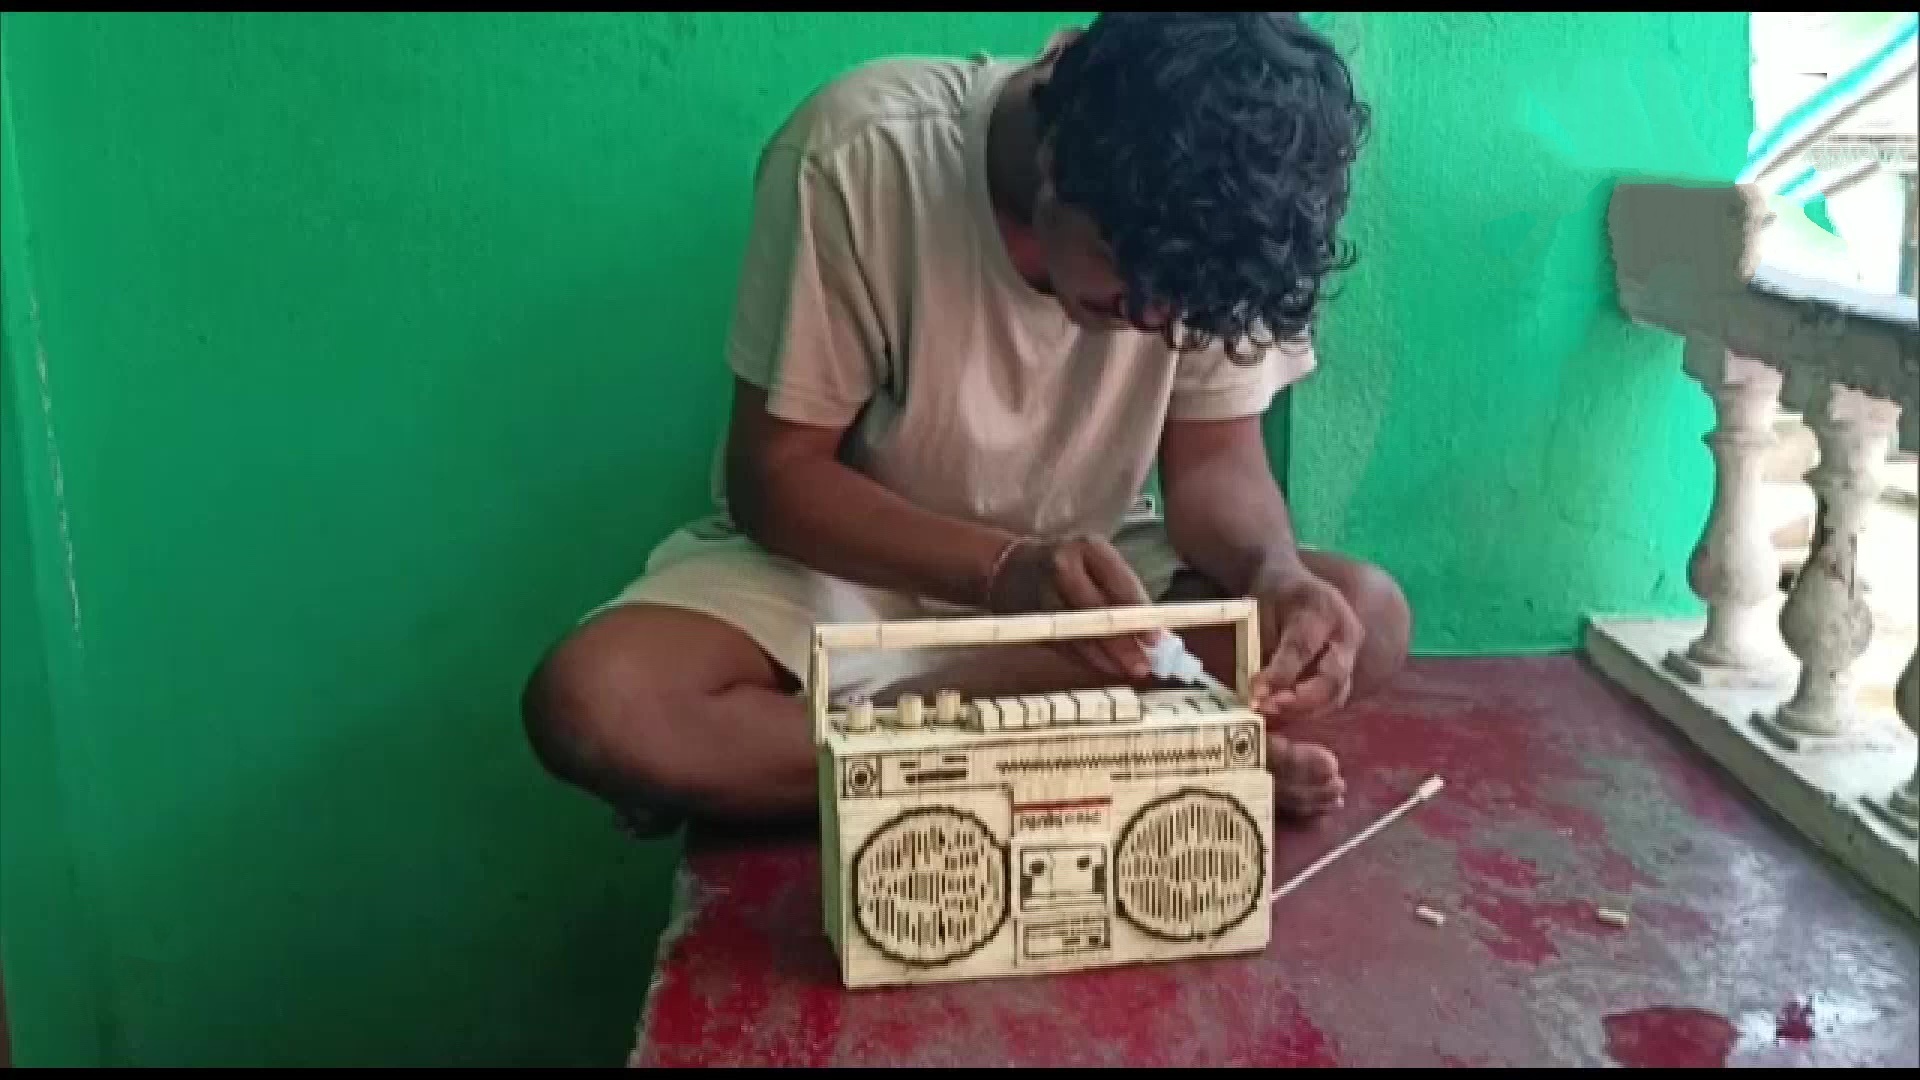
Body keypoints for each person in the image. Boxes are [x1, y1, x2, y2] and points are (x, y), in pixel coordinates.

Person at [522, 12, 1409, 836]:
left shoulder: (1216, 230)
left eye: (1182, 308)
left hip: (1093, 593)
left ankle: (937, 752)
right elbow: (776, 476)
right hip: (844, 575)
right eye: (1124, 277)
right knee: (598, 703)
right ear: (1059, 158)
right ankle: (1131, 752)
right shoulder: (862, 155)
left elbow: (1215, 464)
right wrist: (1003, 574)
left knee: (1364, 615)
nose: (1153, 320)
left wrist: (1273, 570)